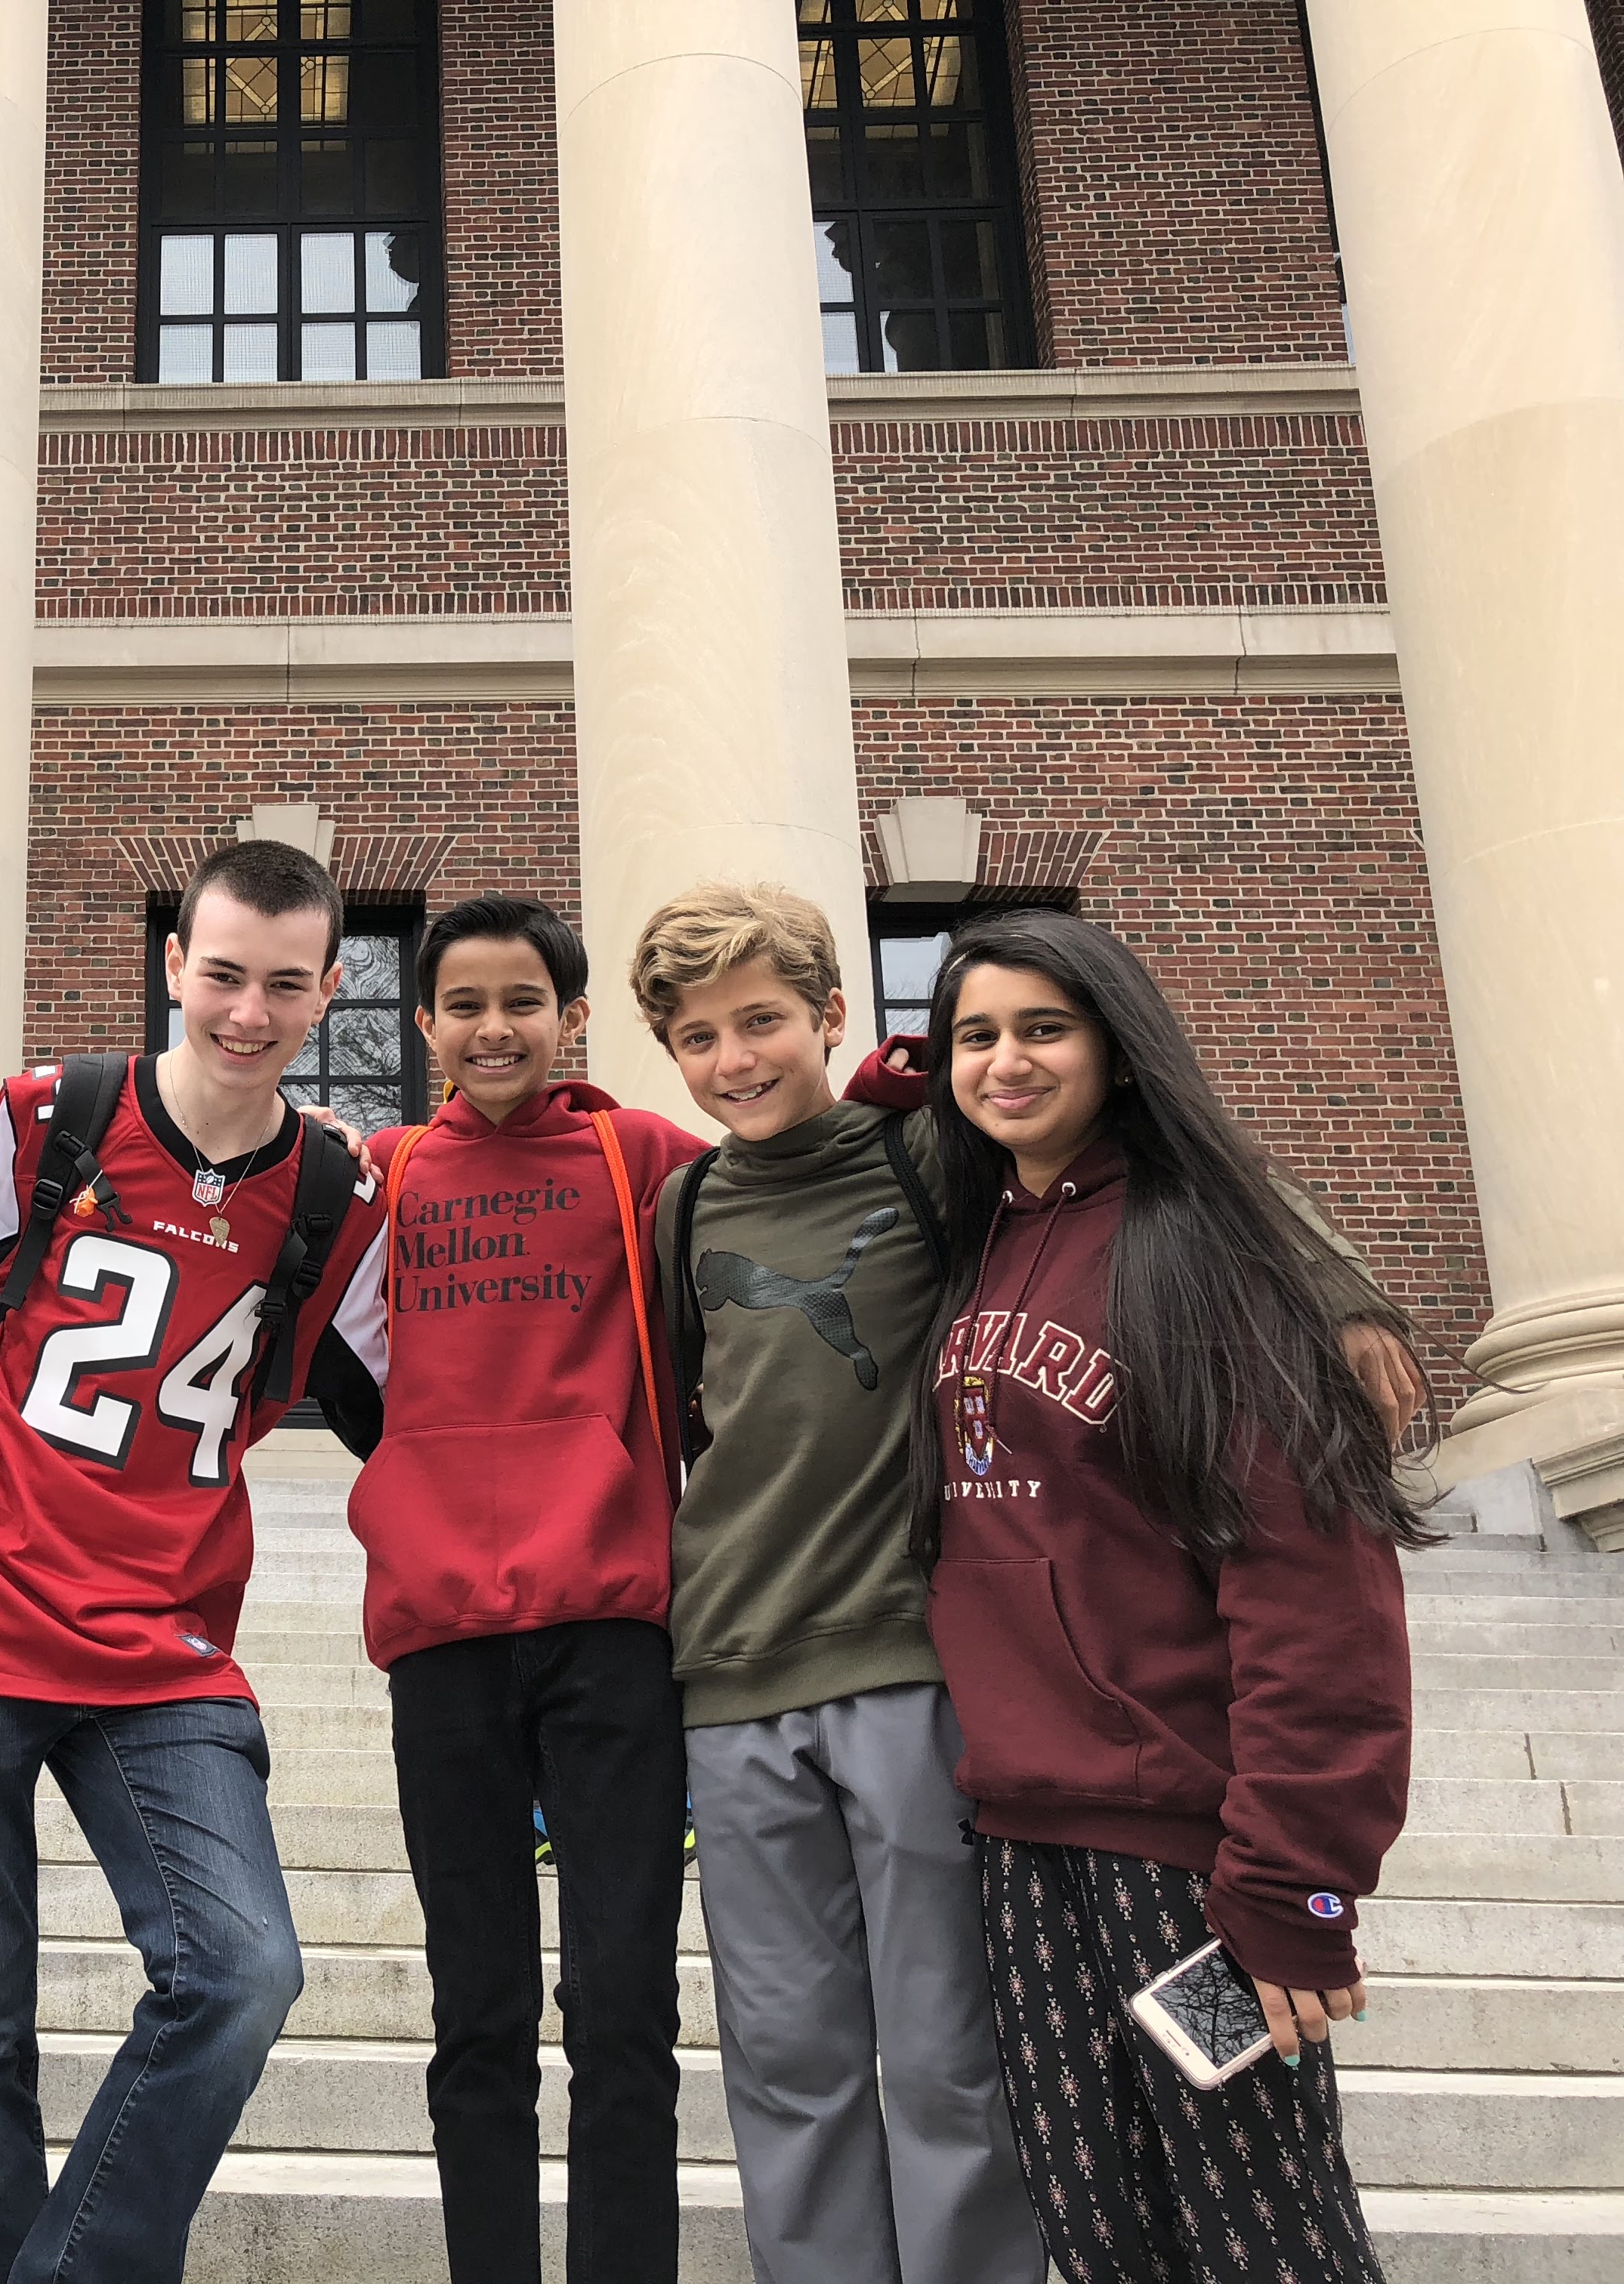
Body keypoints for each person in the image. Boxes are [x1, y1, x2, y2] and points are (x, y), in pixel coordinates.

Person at [0, 837, 390, 2284]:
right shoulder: (56, 1116)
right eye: (222, 974)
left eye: (286, 985)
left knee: (241, 1970)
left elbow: (419, 1403)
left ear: (330, 989)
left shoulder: (343, 1194)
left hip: (165, 1643)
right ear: (174, 964)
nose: (248, 1010)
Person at [910, 903, 1422, 2284]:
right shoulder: (987, 1244)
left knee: (1267, 2242)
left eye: (1043, 1029)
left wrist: (1297, 1881)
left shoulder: (1207, 1261)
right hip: (1024, 1835)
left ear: (1120, 1051)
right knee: (1101, 2243)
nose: (1003, 1062)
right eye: (973, 1036)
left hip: (1189, 1856)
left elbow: (1319, 1598)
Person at [629, 881, 1048, 2284]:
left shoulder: (932, 1160)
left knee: (946, 2055)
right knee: (787, 2064)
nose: (734, 1060)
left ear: (830, 1014)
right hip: (732, 1674)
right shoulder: (684, 1206)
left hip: (909, 1667)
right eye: (697, 1038)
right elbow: (698, 1422)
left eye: (761, 1021)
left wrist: (1344, 1294)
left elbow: (1154, 1180)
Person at [307, 893, 706, 2284]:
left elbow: (809, 1197)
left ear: (571, 1015)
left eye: (522, 1001)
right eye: (463, 1005)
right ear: (422, 1024)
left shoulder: (644, 1155)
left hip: (613, 1631)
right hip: (446, 1641)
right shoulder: (385, 1172)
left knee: (622, 2007)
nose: (494, 1027)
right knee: (476, 2010)